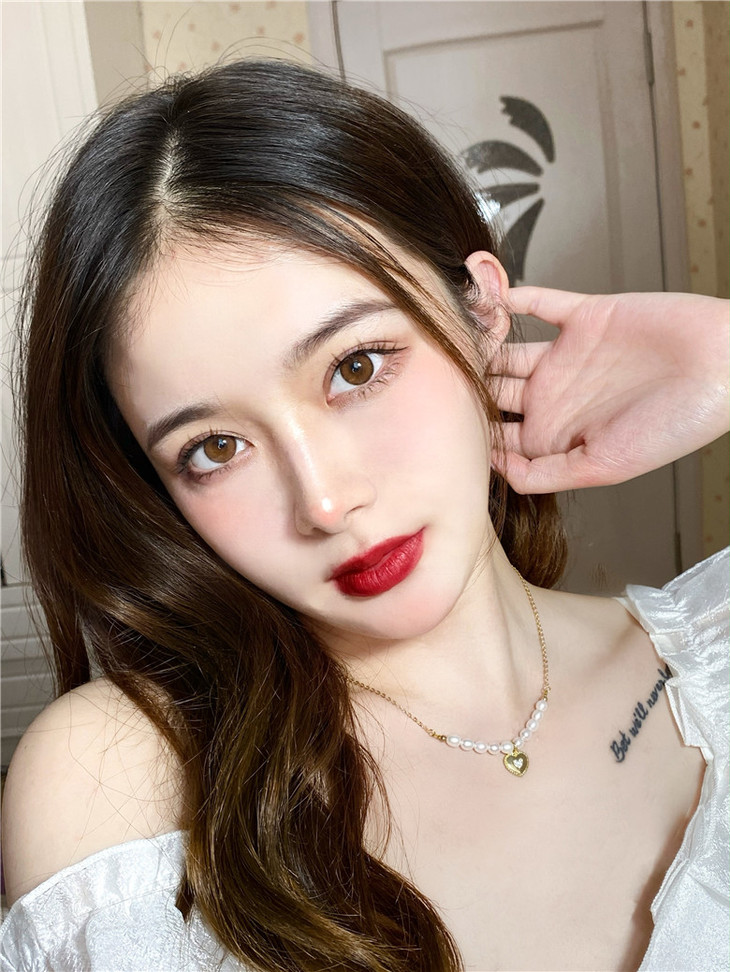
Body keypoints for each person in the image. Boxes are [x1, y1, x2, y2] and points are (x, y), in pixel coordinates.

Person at [0, 58, 727, 972]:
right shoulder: (125, 787)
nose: (325, 501)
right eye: (215, 448)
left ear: (481, 313)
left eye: (355, 367)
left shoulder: (714, 662)